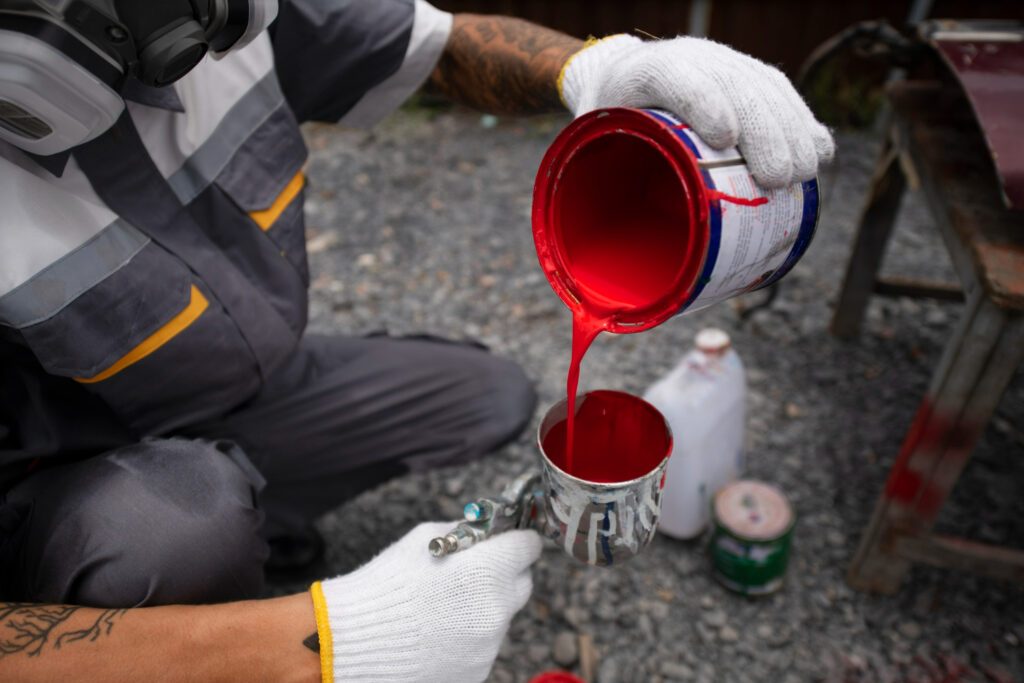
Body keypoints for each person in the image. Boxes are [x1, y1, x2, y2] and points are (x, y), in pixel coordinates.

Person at [0, 1, 834, 680]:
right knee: (179, 528)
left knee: (490, 394)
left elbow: (435, 45)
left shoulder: (212, 17)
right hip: (62, 479)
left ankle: (243, 507)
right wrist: (314, 642)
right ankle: (193, 550)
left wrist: (597, 66)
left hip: (242, 388)